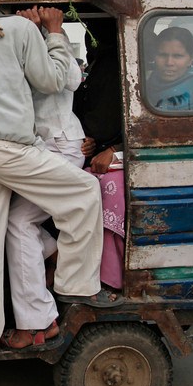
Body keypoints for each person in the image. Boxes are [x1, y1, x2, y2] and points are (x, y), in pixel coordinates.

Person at [0, 6, 111, 373]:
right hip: (10, 148)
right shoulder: (21, 30)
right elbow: (56, 80)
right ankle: (74, 283)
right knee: (85, 191)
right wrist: (52, 34)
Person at [2, 6, 112, 351]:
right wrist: (28, 31)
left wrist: (52, 31)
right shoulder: (15, 44)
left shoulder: (54, 44)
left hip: (60, 146)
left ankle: (37, 320)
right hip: (40, 147)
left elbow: (67, 80)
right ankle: (49, 264)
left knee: (18, 223)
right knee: (16, 222)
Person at [74, 19, 126, 292]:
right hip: (94, 146)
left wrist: (110, 148)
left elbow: (105, 120)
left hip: (108, 153)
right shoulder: (97, 66)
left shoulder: (110, 67)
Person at [145, 27, 193, 111]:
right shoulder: (149, 79)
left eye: (177, 56)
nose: (169, 62)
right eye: (162, 55)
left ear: (191, 58)